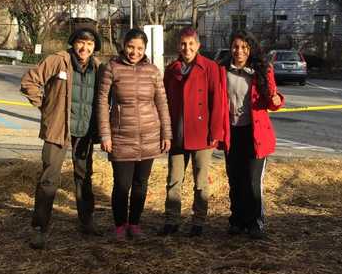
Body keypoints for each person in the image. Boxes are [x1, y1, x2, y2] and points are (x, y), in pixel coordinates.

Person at [20, 27, 102, 249]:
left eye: (90, 44)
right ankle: (39, 228)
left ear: (95, 48)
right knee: (49, 179)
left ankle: (86, 221)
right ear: (73, 43)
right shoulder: (59, 61)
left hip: (84, 133)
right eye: (81, 43)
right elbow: (29, 81)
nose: (84, 48)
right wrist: (45, 107)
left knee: (84, 178)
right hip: (58, 131)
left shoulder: (97, 67)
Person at [97, 28, 172, 240]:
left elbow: (162, 103)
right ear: (124, 45)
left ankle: (135, 224)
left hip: (149, 136)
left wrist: (166, 134)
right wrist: (105, 134)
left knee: (141, 185)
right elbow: (102, 102)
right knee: (122, 185)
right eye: (131, 46)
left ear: (145, 49)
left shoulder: (153, 71)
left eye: (139, 48)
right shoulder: (112, 67)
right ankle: (120, 225)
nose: (134, 52)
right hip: (121, 136)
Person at [218, 30, 284, 239]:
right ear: (230, 48)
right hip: (232, 132)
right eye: (236, 47)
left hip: (255, 134)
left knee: (253, 181)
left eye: (244, 48)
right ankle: (237, 220)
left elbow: (272, 98)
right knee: (235, 179)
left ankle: (255, 221)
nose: (239, 51)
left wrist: (276, 101)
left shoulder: (261, 70)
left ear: (250, 49)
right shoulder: (222, 70)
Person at [162, 27, 224, 237]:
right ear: (178, 45)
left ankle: (198, 221)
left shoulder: (210, 67)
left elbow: (217, 102)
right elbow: (165, 103)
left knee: (200, 182)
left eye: (191, 44)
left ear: (198, 45)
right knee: (173, 180)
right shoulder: (171, 69)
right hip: (178, 134)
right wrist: (166, 132)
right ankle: (171, 220)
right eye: (183, 44)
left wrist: (216, 131)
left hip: (201, 133)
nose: (186, 48)